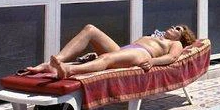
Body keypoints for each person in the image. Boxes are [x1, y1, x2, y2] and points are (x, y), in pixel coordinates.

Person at [24, 24, 197, 79]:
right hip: (126, 49)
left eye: (178, 29)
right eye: (175, 26)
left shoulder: (175, 44)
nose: (173, 27)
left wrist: (152, 62)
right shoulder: (155, 35)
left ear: (181, 37)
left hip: (143, 54)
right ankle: (52, 63)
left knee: (107, 57)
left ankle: (69, 70)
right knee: (90, 29)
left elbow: (172, 57)